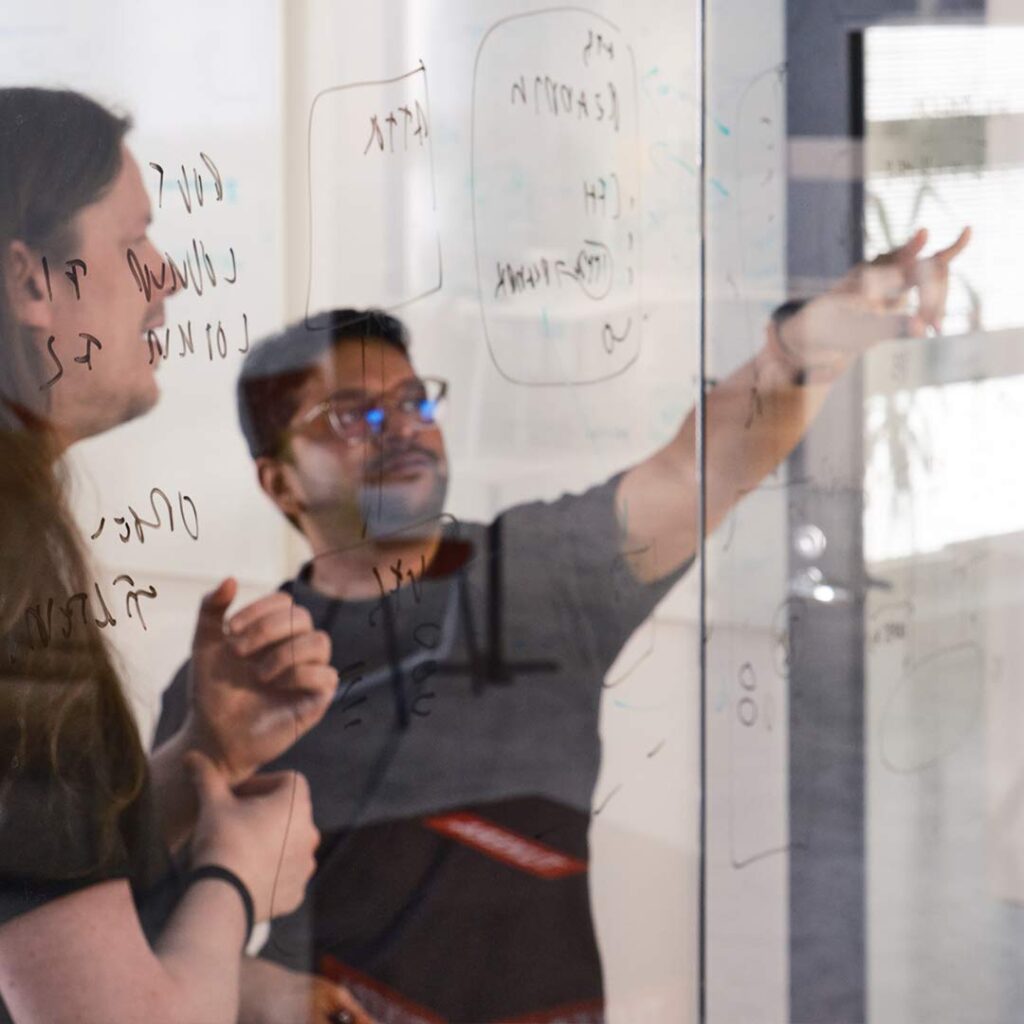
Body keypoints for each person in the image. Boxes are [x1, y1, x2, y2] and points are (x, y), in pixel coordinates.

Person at [155, 224, 969, 1018]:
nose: (400, 426)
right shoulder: (242, 672)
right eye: (350, 416)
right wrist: (257, 990)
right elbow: (146, 915)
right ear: (280, 482)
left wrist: (802, 350)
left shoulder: (535, 574)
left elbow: (701, 467)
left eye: (412, 400)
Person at [0, 87, 374, 1024]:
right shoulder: (15, 583)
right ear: (30, 283)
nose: (167, 277)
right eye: (134, 242)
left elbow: (25, 874)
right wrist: (237, 874)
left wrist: (208, 755)